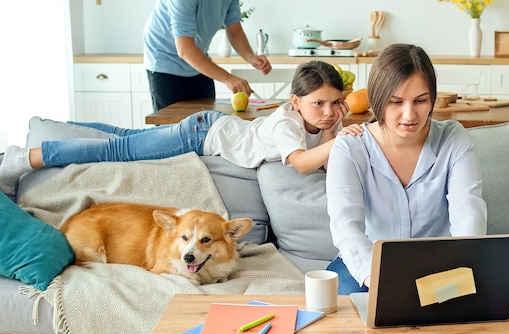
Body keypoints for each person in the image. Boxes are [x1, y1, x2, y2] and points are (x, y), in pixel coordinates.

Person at [0, 60, 363, 196]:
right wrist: (341, 137)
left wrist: (335, 127)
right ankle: (24, 157)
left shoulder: (322, 119)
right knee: (118, 151)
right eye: (319, 104)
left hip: (212, 125)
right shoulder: (287, 122)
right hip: (202, 134)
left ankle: (58, 128)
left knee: (126, 137)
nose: (328, 111)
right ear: (296, 101)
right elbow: (302, 162)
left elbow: (325, 160)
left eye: (335, 103)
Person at [325, 44, 488, 294]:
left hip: (439, 265)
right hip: (369, 266)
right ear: (378, 99)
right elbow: (345, 224)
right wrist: (377, 280)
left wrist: (455, 276)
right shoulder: (350, 148)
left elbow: (469, 215)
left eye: (420, 101)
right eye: (396, 102)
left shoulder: (454, 140)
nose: (409, 115)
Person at [143, 0, 272, 110]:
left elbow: (235, 31)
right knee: (171, 131)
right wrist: (228, 78)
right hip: (165, 62)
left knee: (206, 124)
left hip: (197, 60)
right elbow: (184, 48)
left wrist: (251, 57)